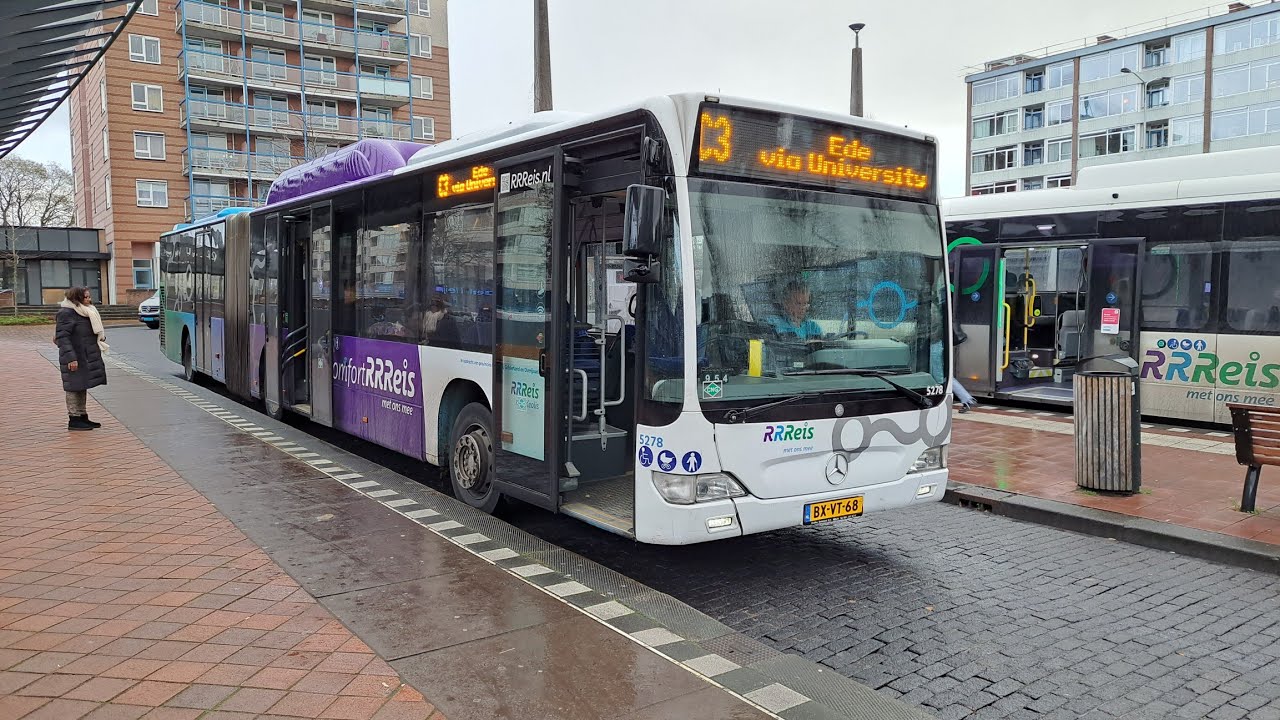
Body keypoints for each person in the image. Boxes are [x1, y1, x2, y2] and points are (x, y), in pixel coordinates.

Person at [55, 286, 109, 431]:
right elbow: (62, 338)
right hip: (74, 356)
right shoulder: (66, 313)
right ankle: (74, 419)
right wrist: (71, 358)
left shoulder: (85, 311)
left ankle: (82, 416)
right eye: (86, 297)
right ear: (76, 298)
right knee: (73, 387)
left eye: (89, 296)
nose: (89, 299)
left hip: (85, 355)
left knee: (81, 384)